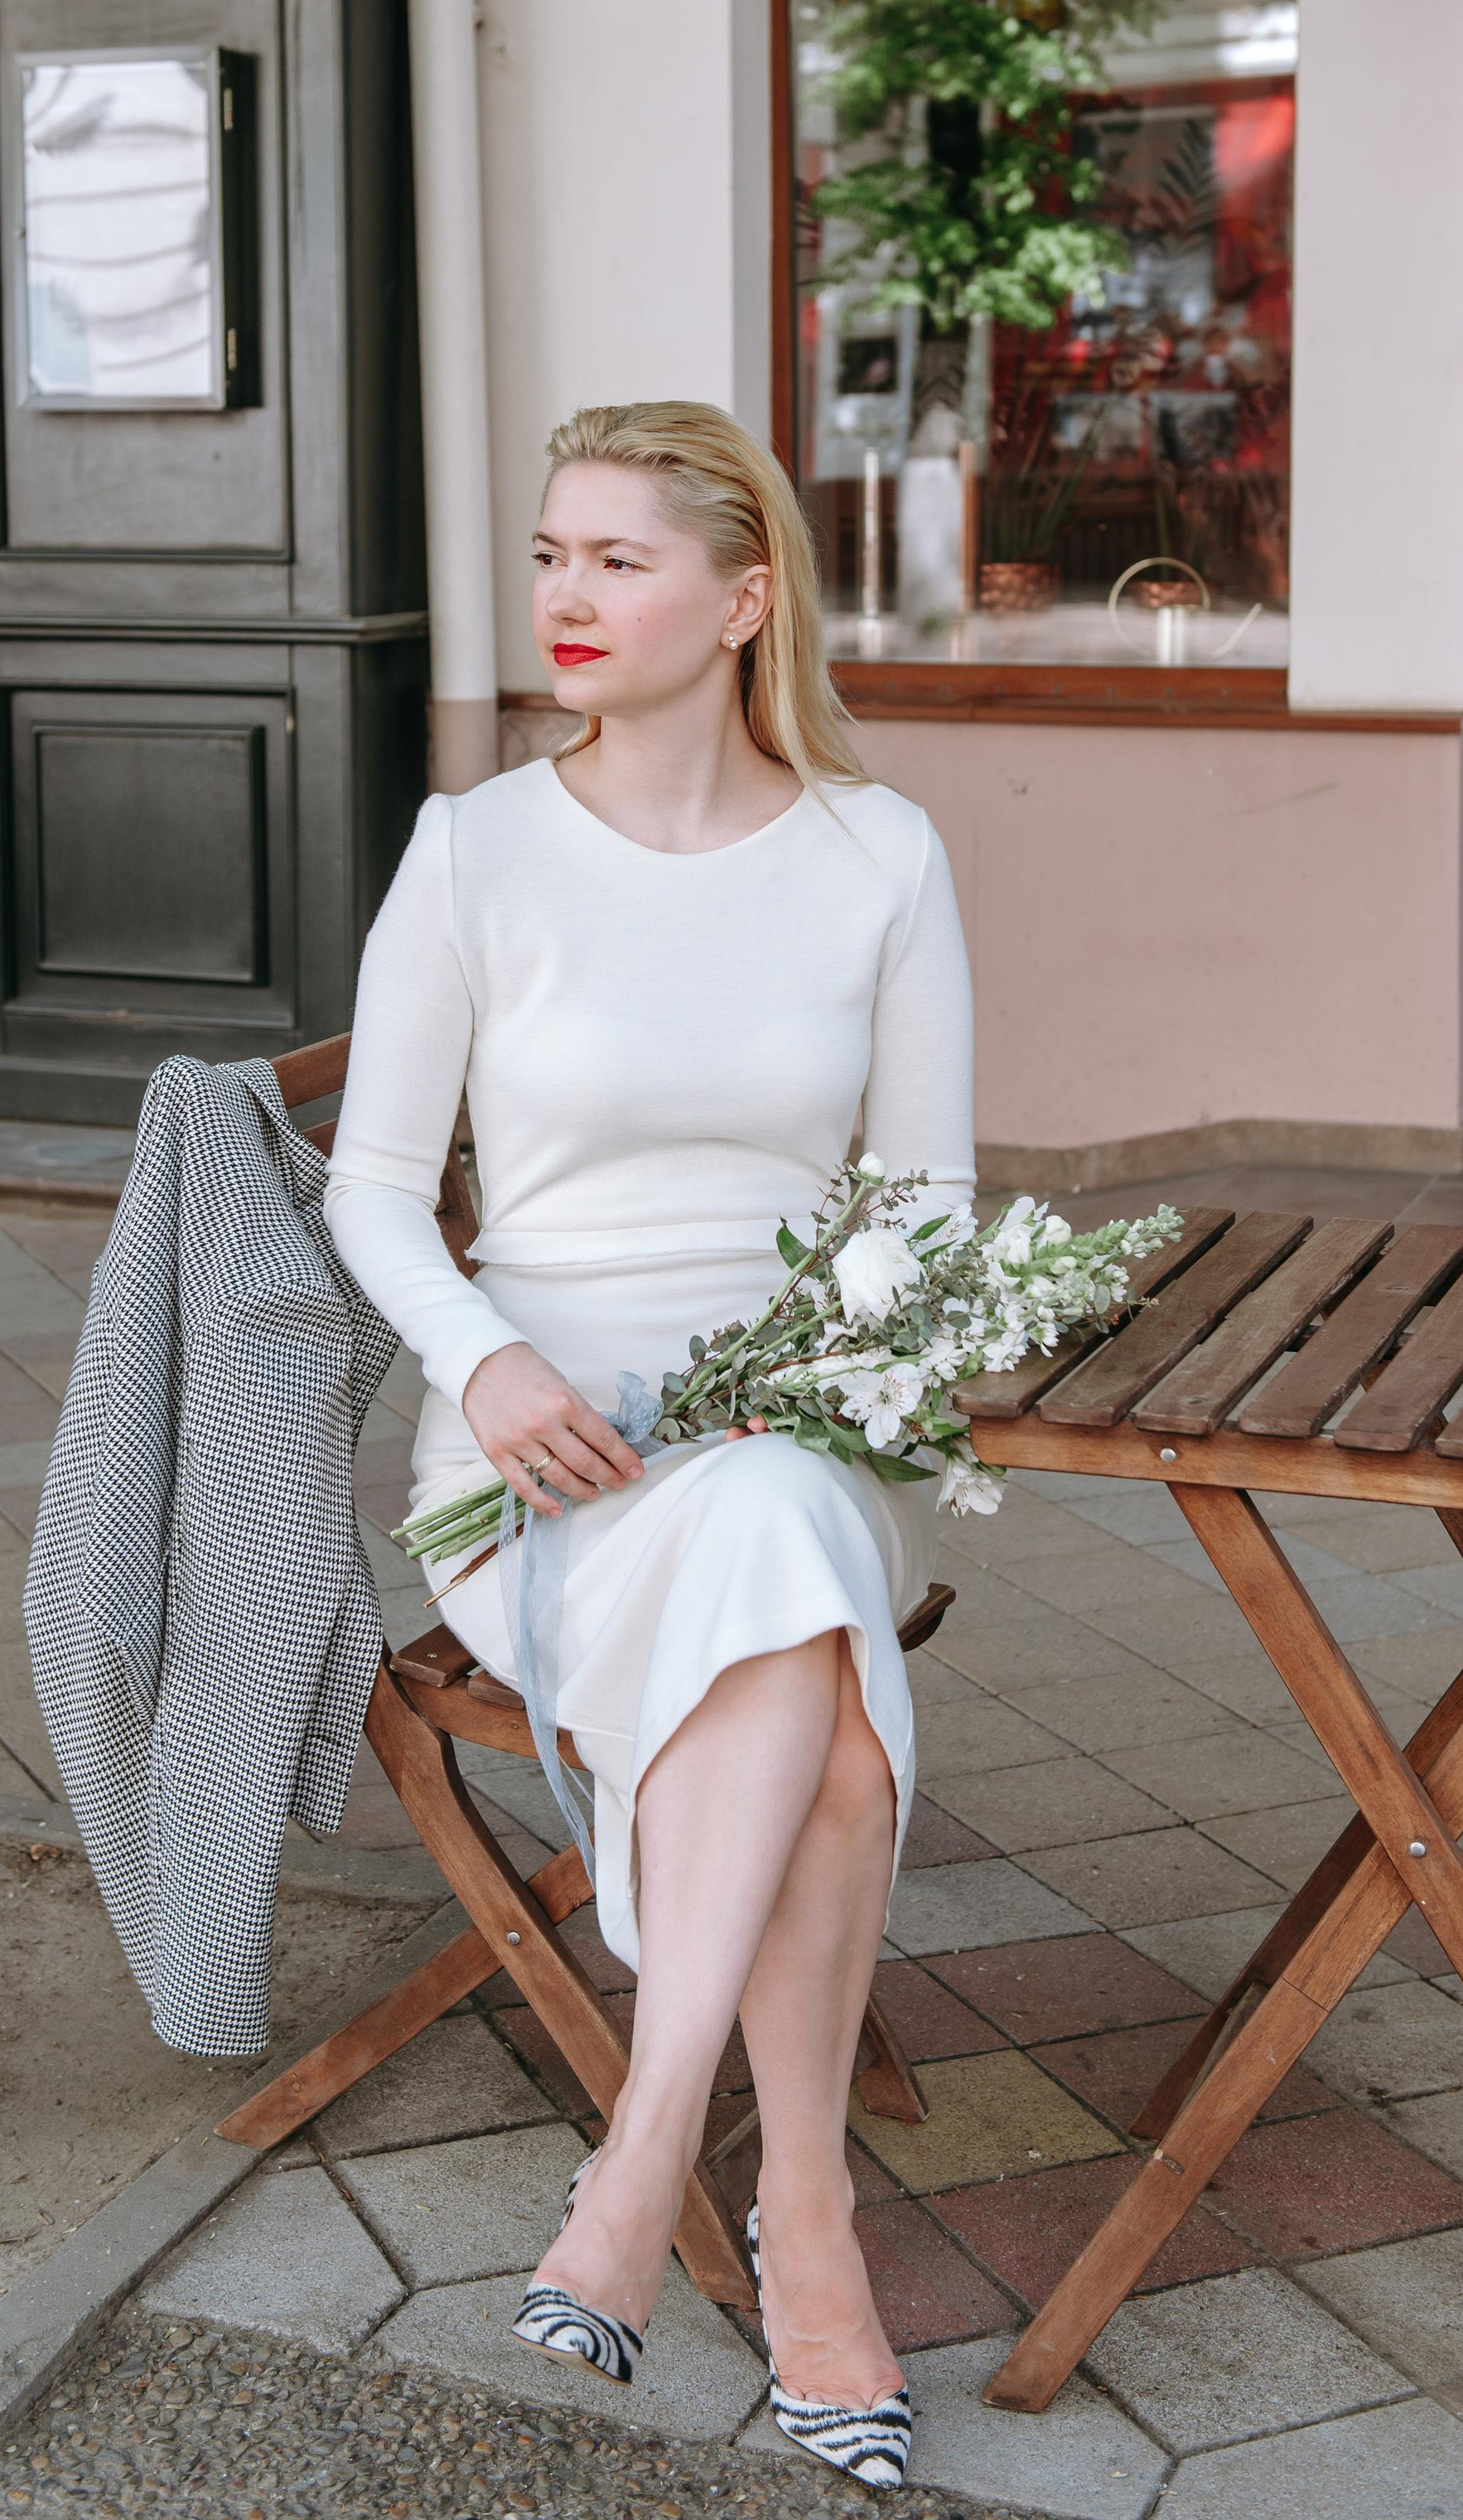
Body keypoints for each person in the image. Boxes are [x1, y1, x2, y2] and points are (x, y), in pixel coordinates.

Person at [325, 402, 974, 2493]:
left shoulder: (877, 853)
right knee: (838, 1738)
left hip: (782, 1412)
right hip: (533, 1452)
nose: (565, 601)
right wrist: (490, 1361)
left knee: (785, 1526)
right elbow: (366, 1188)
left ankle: (636, 2173)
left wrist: (828, 1368)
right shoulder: (475, 846)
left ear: (743, 596)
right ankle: (810, 2239)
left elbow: (927, 1209)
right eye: (548, 557)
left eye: (616, 559)